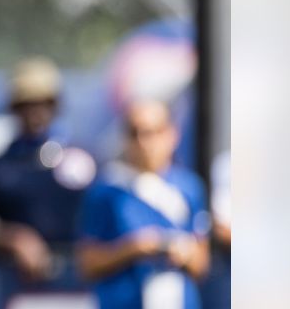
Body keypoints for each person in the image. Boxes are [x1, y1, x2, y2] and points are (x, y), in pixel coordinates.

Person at [0, 57, 96, 281]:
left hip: (80, 286)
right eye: (26, 104)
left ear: (56, 105)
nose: (35, 112)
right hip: (15, 288)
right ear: (13, 108)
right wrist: (11, 238)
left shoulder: (85, 160)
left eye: (43, 103)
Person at [76, 100, 211, 308]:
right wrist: (133, 249)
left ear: (171, 135)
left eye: (151, 133)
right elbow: (87, 263)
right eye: (134, 133)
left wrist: (183, 252)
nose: (143, 143)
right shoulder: (107, 191)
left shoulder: (189, 187)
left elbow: (202, 262)